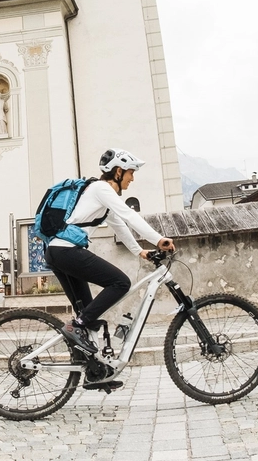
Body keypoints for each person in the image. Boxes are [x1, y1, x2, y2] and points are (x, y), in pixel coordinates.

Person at [45, 148, 175, 389]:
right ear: (118, 171)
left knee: (89, 317)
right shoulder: (101, 189)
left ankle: (95, 372)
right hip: (66, 251)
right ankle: (77, 326)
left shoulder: (101, 197)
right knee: (120, 283)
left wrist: (140, 251)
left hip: (58, 251)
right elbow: (129, 215)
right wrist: (158, 239)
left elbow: (119, 225)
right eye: (130, 173)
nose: (132, 179)